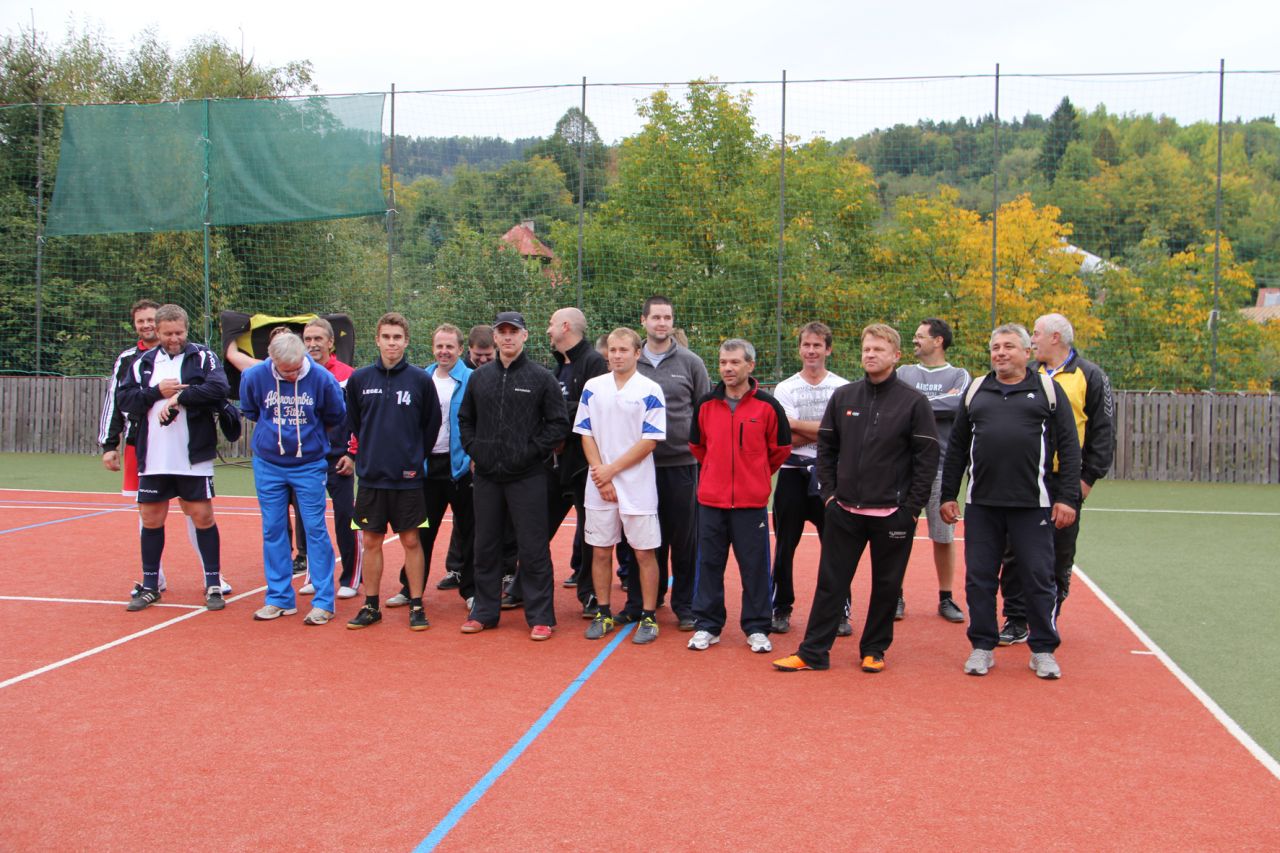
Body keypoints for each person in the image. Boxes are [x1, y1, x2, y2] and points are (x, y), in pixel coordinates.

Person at [772, 324, 939, 673]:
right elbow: (827, 449)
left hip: (893, 514)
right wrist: (830, 497)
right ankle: (813, 652)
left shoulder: (913, 402)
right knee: (830, 583)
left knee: (886, 585)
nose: (871, 355)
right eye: (867, 349)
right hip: (845, 510)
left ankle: (874, 649)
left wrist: (910, 510)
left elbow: (926, 460)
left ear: (896, 356)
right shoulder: (844, 396)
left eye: (879, 349)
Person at [940, 323, 1081, 680]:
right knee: (980, 578)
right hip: (982, 505)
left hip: (1033, 505)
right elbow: (956, 448)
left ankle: (1043, 650)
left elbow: (1069, 447)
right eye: (995, 348)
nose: (1000, 353)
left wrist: (1067, 498)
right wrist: (948, 495)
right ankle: (982, 646)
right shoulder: (976, 390)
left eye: (1008, 347)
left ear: (1026, 352)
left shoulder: (1047, 390)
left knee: (1038, 577)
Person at [101, 299, 233, 600]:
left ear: (186, 329)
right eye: (168, 334)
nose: (174, 339)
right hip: (153, 456)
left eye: (179, 333)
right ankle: (151, 584)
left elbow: (219, 388)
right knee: (150, 518)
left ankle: (213, 581)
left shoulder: (203, 357)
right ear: (158, 333)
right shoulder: (142, 363)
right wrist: (156, 393)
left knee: (202, 516)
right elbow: (124, 400)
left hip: (193, 456)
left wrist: (180, 397)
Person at [995, 312, 1115, 645]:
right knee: (1013, 550)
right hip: (1026, 477)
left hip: (1066, 480)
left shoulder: (1090, 375)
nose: (1032, 340)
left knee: (1058, 552)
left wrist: (1086, 480)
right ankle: (1016, 618)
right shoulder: (1027, 372)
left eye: (1035, 333)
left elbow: (1103, 432)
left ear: (1055, 337)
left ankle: (1048, 616)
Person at [458, 311, 569, 641]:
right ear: (494, 337)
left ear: (524, 336)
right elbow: (465, 419)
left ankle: (540, 616)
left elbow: (558, 424)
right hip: (487, 476)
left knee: (533, 548)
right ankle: (483, 611)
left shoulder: (541, 378)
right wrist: (476, 449)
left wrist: (531, 451)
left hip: (528, 476)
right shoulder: (480, 378)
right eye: (502, 331)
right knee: (485, 545)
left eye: (513, 331)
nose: (508, 337)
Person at [687, 339, 791, 653]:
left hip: (751, 503)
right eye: (723, 362)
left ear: (750, 365)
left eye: (734, 362)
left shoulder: (768, 406)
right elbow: (697, 446)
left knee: (754, 567)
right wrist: (716, 472)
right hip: (711, 502)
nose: (728, 368)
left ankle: (757, 627)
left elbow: (780, 449)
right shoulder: (706, 404)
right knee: (709, 565)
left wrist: (754, 475)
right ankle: (707, 625)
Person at [342, 313, 442, 632]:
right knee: (371, 540)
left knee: (412, 540)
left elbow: (431, 425)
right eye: (386, 337)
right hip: (371, 478)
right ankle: (371, 606)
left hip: (408, 479)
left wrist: (413, 457)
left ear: (406, 341)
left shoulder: (420, 380)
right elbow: (355, 422)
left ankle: (416, 604)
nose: (392, 343)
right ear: (377, 340)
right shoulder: (359, 380)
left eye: (397, 337)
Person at [239, 333, 347, 624]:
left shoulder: (322, 379)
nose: (293, 375)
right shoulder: (254, 376)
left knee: (315, 529)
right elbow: (251, 410)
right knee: (273, 529)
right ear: (272, 360)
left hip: (309, 464)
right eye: (286, 371)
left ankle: (323, 601)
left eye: (297, 368)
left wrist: (309, 438)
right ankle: (279, 598)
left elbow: (336, 415)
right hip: (268, 464)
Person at [574, 327, 666, 644]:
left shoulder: (650, 389)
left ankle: (649, 616)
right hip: (599, 484)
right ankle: (603, 612)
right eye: (612, 350)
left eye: (623, 350)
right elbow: (585, 433)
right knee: (601, 551)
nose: (617, 355)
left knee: (644, 553)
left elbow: (650, 440)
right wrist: (600, 474)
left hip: (637, 487)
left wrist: (611, 470)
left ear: (637, 353)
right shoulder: (593, 387)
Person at [626, 295, 711, 631]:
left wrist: (702, 459)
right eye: (656, 317)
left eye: (667, 317)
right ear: (644, 320)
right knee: (642, 538)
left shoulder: (691, 362)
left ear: (673, 322)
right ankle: (641, 601)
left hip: (681, 464)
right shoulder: (630, 361)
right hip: (638, 465)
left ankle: (686, 605)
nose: (662, 323)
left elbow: (704, 413)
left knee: (683, 540)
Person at [386, 324, 476, 611]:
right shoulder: (420, 378)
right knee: (420, 532)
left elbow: (479, 420)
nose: (444, 351)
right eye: (439, 346)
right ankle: (410, 588)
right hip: (426, 468)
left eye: (450, 346)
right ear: (433, 348)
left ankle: (472, 590)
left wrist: (474, 455)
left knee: (471, 532)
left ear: (460, 349)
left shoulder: (472, 379)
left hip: (461, 467)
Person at [769, 321, 850, 636]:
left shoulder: (842, 388)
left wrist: (802, 427)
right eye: (806, 345)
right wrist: (828, 429)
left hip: (830, 476)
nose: (811, 351)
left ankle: (839, 611)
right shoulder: (785, 388)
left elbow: (844, 434)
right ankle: (781, 608)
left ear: (828, 349)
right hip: (792, 474)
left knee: (837, 548)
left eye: (818, 345)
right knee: (784, 547)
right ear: (799, 349)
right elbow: (785, 435)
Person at [895, 318, 971, 623]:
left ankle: (946, 597)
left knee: (943, 536)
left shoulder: (959, 375)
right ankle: (895, 595)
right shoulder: (903, 372)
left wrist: (913, 405)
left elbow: (956, 405)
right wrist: (930, 404)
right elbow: (894, 403)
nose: (914, 341)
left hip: (940, 467)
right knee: (898, 534)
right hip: (903, 468)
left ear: (938, 340)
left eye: (920, 336)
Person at [545, 306, 608, 614]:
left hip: (583, 463)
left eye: (551, 324)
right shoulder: (558, 366)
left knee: (590, 530)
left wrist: (556, 415)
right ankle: (523, 585)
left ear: (566, 326)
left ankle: (590, 593)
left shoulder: (593, 362)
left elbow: (590, 409)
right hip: (555, 463)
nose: (548, 330)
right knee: (537, 526)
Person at [295, 318, 360, 599]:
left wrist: (351, 454)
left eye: (318, 339)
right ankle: (316, 575)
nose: (312, 344)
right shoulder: (295, 373)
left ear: (331, 342)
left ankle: (351, 577)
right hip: (307, 461)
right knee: (311, 520)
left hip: (339, 460)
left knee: (346, 516)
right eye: (308, 339)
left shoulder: (348, 376)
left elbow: (358, 419)